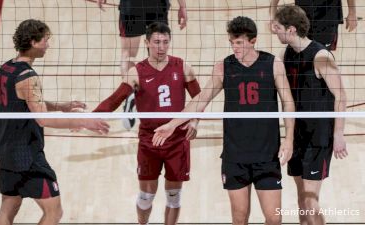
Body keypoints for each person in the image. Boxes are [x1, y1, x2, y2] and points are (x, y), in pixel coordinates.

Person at [153, 17, 295, 225]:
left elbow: (288, 103)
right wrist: (172, 124)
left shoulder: (273, 64)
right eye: (232, 42)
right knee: (239, 218)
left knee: (274, 218)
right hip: (235, 156)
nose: (235, 47)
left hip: (266, 154)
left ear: (253, 40)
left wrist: (289, 139)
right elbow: (200, 100)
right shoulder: (223, 67)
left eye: (239, 42)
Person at [0, 19, 110, 225]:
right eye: (45, 40)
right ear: (33, 42)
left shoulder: (5, 69)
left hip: (5, 151)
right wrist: (81, 121)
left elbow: (24, 102)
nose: (48, 44)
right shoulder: (28, 76)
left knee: (9, 205)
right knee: (54, 212)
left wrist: (60, 106)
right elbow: (43, 118)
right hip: (27, 156)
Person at [92, 22, 200, 225]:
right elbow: (114, 100)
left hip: (177, 140)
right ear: (147, 42)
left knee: (174, 196)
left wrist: (194, 120)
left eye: (166, 42)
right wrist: (89, 118)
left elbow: (199, 99)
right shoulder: (137, 71)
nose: (161, 47)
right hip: (149, 141)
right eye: (157, 42)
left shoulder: (183, 67)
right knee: (145, 197)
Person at [273, 5, 348, 225]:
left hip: (318, 137)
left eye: (277, 27)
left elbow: (341, 96)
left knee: (310, 200)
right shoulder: (285, 54)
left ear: (291, 30)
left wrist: (339, 134)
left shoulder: (321, 56)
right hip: (297, 135)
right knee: (301, 200)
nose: (274, 30)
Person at [98, 0, 188, 130]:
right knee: (158, 52)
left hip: (131, 5)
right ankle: (157, 103)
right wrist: (182, 6)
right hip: (157, 5)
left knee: (127, 53)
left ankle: (131, 94)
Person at [270, 0, 357, 51]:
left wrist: (352, 12)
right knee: (299, 52)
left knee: (322, 55)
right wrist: (273, 14)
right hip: (301, 15)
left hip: (327, 16)